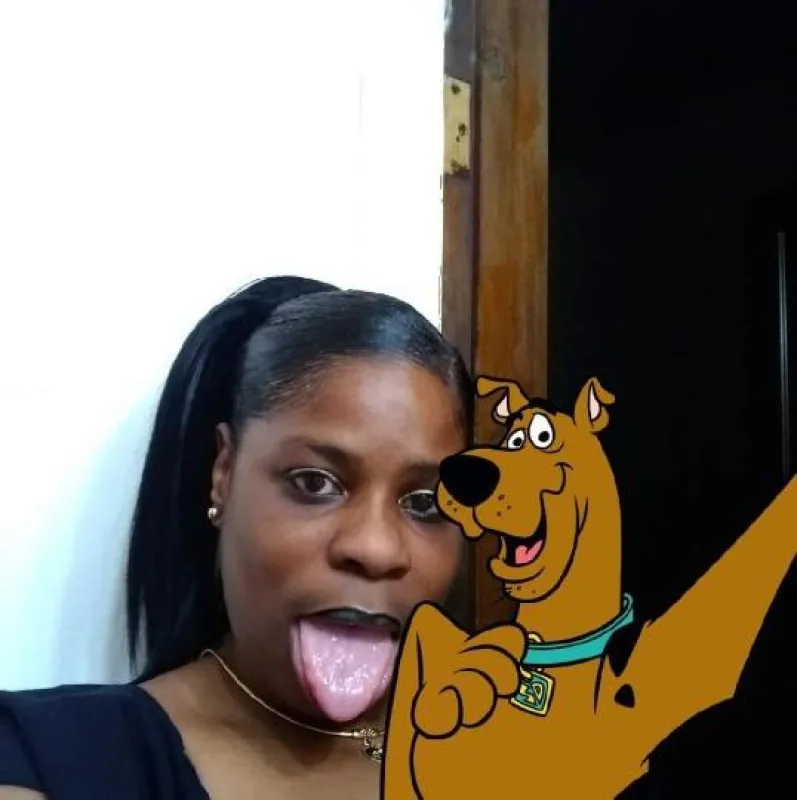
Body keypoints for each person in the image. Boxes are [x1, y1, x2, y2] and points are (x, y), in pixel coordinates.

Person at [0, 275, 473, 799]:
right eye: (315, 483)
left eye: (425, 503)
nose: (376, 548)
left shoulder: (518, 755)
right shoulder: (51, 758)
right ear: (223, 473)